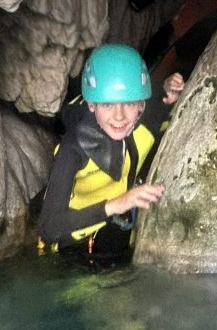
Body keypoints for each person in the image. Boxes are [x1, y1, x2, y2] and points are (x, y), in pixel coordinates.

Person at [38, 44, 184, 258]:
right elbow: (49, 228)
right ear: (91, 105)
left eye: (129, 103)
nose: (119, 116)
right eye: (107, 105)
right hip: (74, 253)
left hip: (120, 239)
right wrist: (118, 204)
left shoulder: (143, 123)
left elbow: (161, 102)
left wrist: (169, 91)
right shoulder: (73, 149)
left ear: (140, 104)